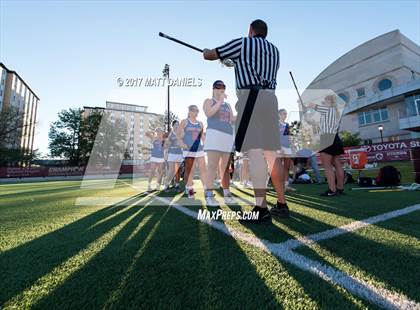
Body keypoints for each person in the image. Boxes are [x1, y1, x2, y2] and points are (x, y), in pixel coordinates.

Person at [203, 19, 289, 223]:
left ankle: (260, 208)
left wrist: (209, 52)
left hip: (251, 99)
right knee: (271, 155)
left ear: (250, 30)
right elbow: (246, 64)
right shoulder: (274, 50)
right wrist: (229, 62)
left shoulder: (242, 43)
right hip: (270, 99)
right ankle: (282, 203)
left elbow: (210, 55)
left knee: (255, 152)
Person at [203, 80, 236, 206]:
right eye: (218, 86)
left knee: (226, 168)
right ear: (213, 89)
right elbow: (209, 113)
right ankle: (209, 195)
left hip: (227, 136)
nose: (221, 89)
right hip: (214, 134)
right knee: (212, 166)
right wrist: (220, 101)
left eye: (223, 87)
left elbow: (231, 119)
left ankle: (227, 194)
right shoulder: (208, 101)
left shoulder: (227, 105)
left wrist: (245, 113)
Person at [308, 94, 345, 196]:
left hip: (327, 138)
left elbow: (311, 105)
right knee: (337, 164)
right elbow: (324, 125)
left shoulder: (327, 109)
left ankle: (332, 190)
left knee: (327, 166)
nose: (324, 102)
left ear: (330, 101)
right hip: (335, 138)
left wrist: (307, 105)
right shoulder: (336, 112)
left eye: (325, 100)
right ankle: (340, 188)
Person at [178, 105, 207, 199]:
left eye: (197, 110)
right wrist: (182, 143)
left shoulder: (200, 123)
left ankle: (207, 190)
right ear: (189, 111)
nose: (196, 112)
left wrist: (207, 145)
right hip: (189, 150)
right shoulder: (184, 122)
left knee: (203, 169)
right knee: (190, 171)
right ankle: (190, 189)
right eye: (194, 110)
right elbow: (178, 135)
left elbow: (203, 137)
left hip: (199, 149)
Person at [278, 109, 296, 192]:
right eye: (283, 114)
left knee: (287, 167)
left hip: (287, 147)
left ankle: (286, 185)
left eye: (286, 114)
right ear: (279, 115)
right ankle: (279, 186)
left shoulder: (287, 124)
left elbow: (289, 136)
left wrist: (292, 145)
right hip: (279, 148)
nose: (285, 115)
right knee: (279, 168)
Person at [163, 120, 183, 192]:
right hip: (172, 154)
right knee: (171, 170)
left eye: (178, 125)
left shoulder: (180, 133)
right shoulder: (170, 134)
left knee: (176, 171)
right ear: (173, 126)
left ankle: (174, 185)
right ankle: (166, 185)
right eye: (175, 125)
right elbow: (166, 144)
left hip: (179, 154)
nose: (177, 126)